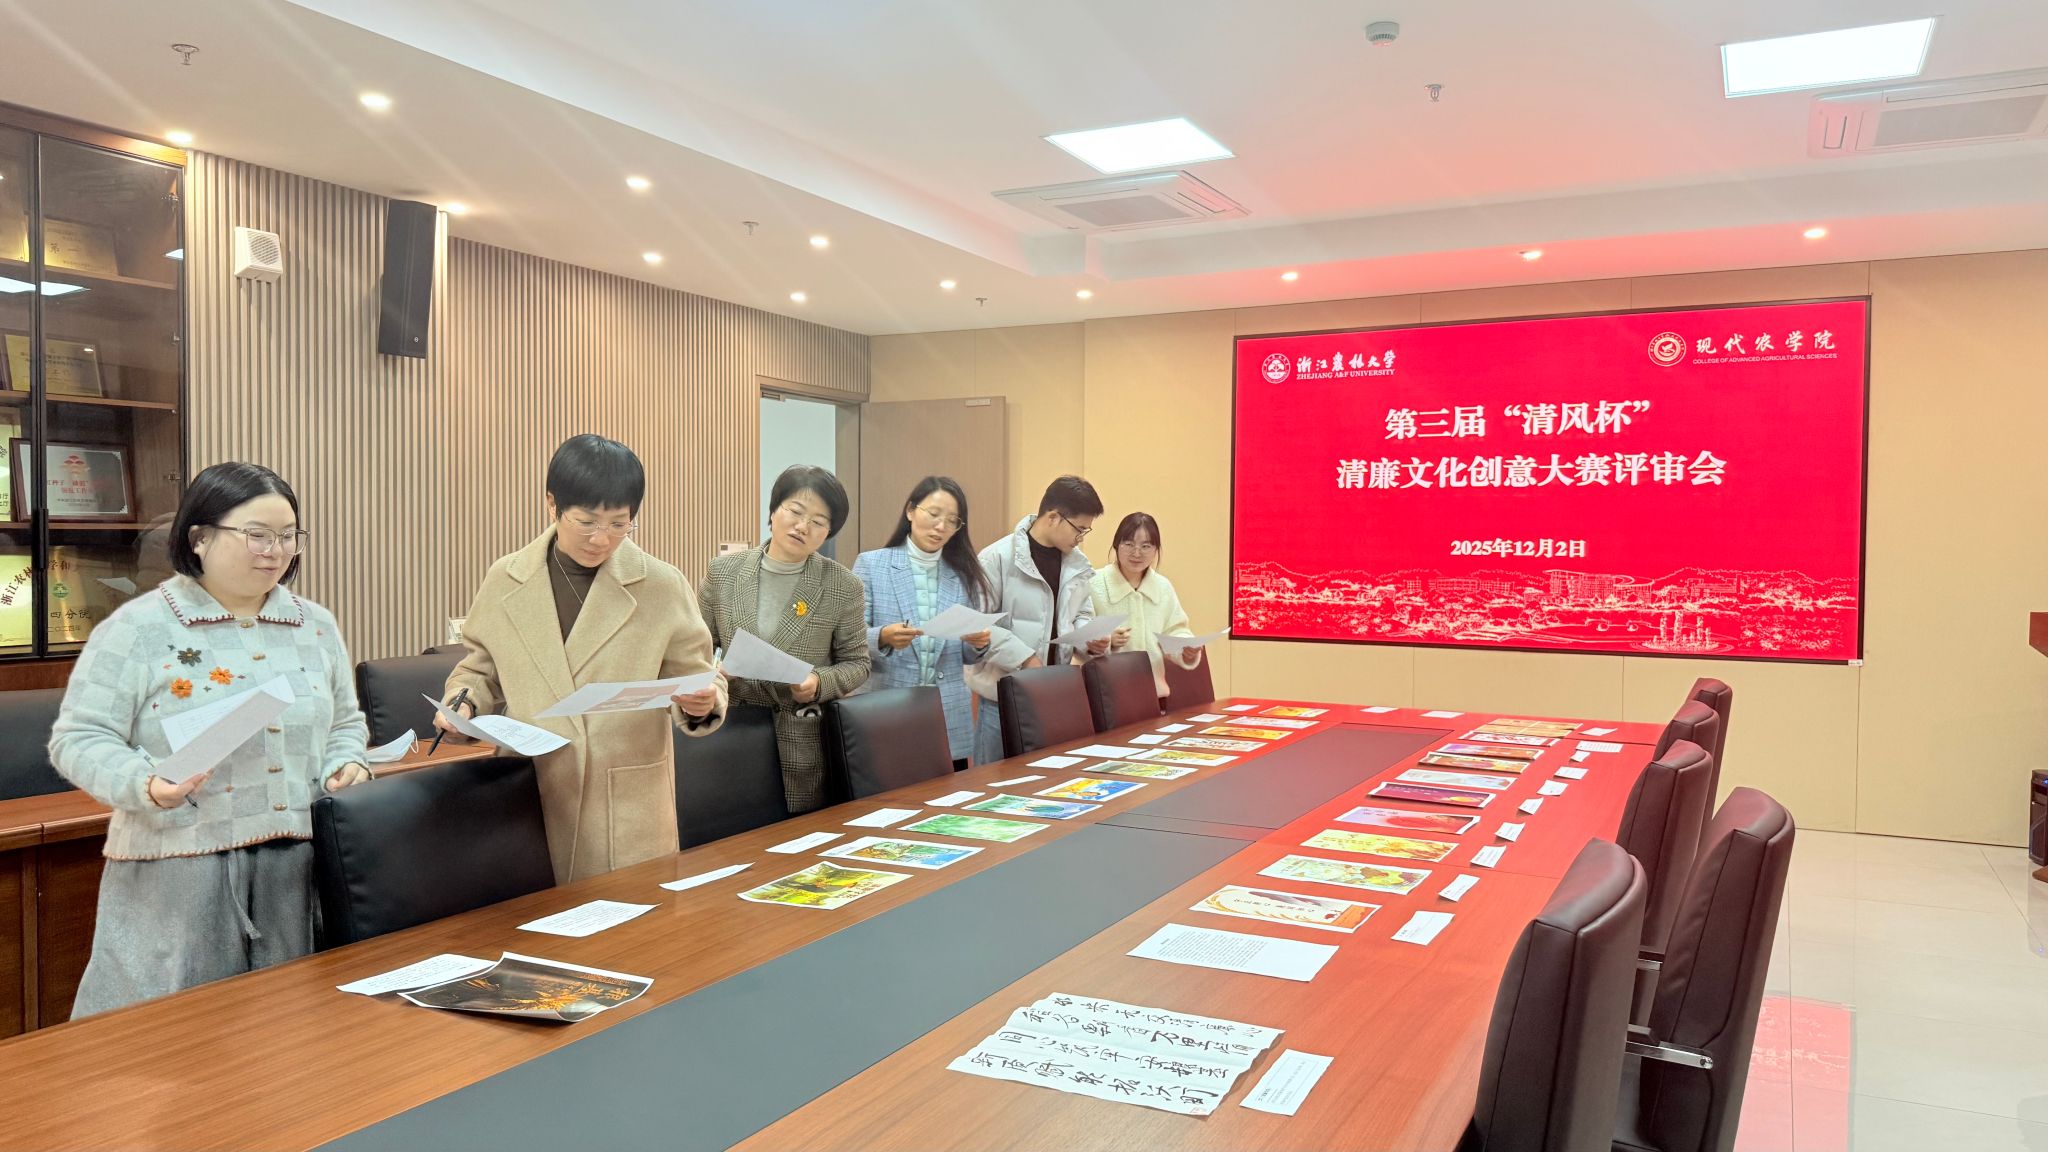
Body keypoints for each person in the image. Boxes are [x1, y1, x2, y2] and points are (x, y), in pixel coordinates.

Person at [49, 462, 370, 1016]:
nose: (275, 551)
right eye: (257, 535)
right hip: (178, 870)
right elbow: (78, 738)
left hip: (294, 867)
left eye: (287, 536)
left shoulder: (314, 626)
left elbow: (345, 722)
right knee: (167, 1040)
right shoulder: (140, 627)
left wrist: (348, 762)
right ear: (199, 538)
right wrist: (146, 784)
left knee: (282, 1037)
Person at [436, 435, 725, 885]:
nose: (601, 538)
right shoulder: (507, 578)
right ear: (552, 503)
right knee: (530, 920)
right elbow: (479, 668)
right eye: (586, 521)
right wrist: (463, 703)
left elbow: (700, 675)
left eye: (619, 524)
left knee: (631, 919)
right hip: (529, 790)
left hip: (625, 805)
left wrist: (704, 702)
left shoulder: (662, 585)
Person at [699, 465, 870, 811]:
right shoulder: (723, 572)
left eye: (818, 521)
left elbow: (858, 663)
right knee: (731, 829)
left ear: (828, 532)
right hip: (732, 734)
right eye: (795, 511)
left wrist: (818, 682)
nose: (803, 526)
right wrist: (714, 671)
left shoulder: (842, 585)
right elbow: (696, 649)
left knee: (799, 835)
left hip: (802, 743)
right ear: (774, 511)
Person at [851, 476, 996, 770]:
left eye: (952, 521)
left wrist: (978, 644)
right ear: (910, 511)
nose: (941, 526)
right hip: (887, 708)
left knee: (948, 795)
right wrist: (882, 637)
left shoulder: (964, 573)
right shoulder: (872, 564)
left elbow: (965, 654)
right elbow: (849, 638)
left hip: (946, 712)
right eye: (933, 514)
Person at [972, 475, 1114, 764]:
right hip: (1002, 698)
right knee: (991, 783)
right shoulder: (996, 558)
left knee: (1045, 782)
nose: (1081, 538)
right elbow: (979, 624)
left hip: (1052, 695)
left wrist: (1091, 639)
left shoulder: (1076, 564)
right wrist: (1025, 659)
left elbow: (1082, 614)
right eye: (1079, 529)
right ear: (1053, 517)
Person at [1090, 512, 1203, 699]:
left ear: (1156, 549)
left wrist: (1185, 648)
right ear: (1116, 545)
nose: (1137, 553)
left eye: (1146, 546)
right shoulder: (1094, 583)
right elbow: (1078, 635)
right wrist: (1107, 640)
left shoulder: (1162, 587)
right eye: (1129, 544)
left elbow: (1175, 630)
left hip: (1153, 695)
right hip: (1106, 696)